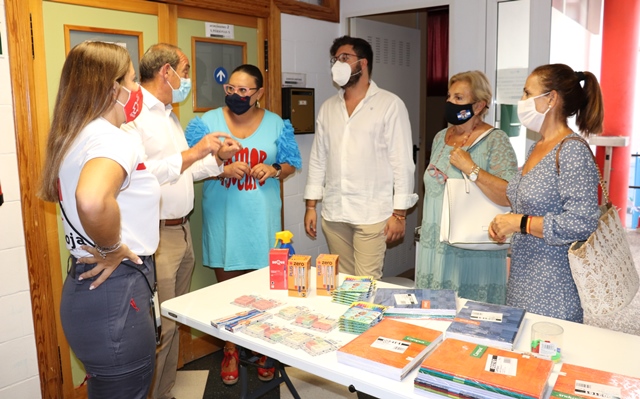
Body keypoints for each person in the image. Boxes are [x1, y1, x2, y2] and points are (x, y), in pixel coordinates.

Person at [38, 41, 160, 398]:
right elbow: (91, 200)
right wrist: (111, 248)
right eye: (133, 80)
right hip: (115, 287)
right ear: (112, 88)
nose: (137, 90)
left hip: (85, 287)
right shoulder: (113, 139)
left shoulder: (74, 135)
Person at [121, 43, 241, 399]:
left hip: (181, 229)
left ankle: (167, 390)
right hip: (156, 236)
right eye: (185, 71)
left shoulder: (168, 113)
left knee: (174, 319)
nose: (188, 79)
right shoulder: (135, 116)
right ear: (166, 72)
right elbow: (139, 175)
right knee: (161, 327)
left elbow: (181, 169)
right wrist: (195, 151)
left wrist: (216, 158)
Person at [185, 64, 302, 385]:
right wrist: (221, 168)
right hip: (224, 221)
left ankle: (264, 347)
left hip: (262, 221)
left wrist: (274, 168)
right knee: (227, 293)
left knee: (264, 291)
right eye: (231, 89)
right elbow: (187, 163)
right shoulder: (206, 123)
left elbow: (292, 163)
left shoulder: (277, 123)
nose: (236, 95)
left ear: (259, 93)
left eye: (244, 90)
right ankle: (231, 348)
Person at [490, 64, 602, 322]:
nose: (522, 101)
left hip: (553, 289)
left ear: (551, 98)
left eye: (528, 93)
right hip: (522, 280)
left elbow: (582, 222)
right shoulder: (536, 147)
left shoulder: (572, 151)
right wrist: (507, 223)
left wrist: (519, 223)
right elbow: (528, 206)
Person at [304, 36, 418, 280]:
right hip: (334, 213)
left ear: (363, 63)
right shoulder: (328, 108)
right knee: (344, 281)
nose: (337, 64)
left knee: (366, 284)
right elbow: (318, 158)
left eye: (345, 58)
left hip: (372, 214)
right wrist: (311, 205)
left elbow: (403, 163)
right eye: (335, 59)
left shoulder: (390, 104)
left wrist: (399, 214)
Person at [415, 71, 518, 305]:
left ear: (479, 105)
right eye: (449, 97)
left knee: (470, 321)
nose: (451, 103)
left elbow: (508, 195)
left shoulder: (496, 140)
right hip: (435, 246)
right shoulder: (441, 137)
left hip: (472, 248)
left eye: (459, 98)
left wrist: (471, 169)